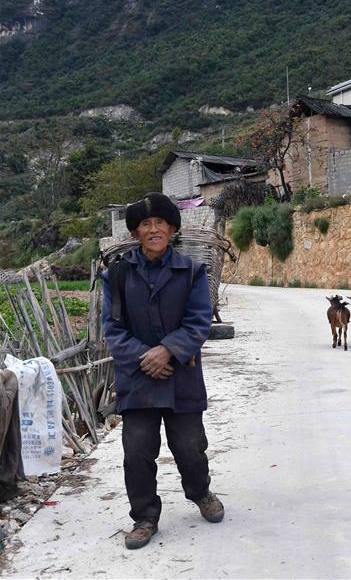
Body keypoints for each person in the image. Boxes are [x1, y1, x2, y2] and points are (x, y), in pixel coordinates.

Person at [102, 192, 224, 550]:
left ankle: (200, 493)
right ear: (136, 233)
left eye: (160, 223)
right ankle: (144, 516)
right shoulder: (118, 276)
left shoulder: (191, 271)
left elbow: (199, 321)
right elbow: (113, 330)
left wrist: (167, 351)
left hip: (181, 376)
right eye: (145, 224)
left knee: (189, 447)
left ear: (171, 229)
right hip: (138, 379)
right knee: (137, 450)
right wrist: (147, 357)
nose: (153, 229)